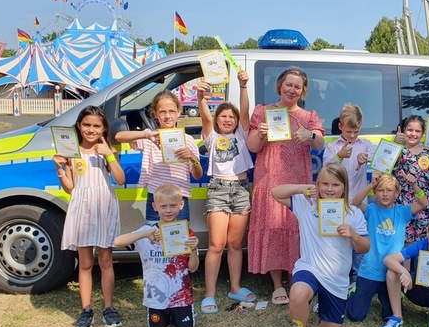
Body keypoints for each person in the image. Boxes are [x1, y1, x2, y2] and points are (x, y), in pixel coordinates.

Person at [271, 163, 369, 327]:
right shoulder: (306, 203)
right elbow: (275, 192)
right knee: (298, 294)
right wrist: (301, 188)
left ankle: (321, 304)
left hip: (336, 278)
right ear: (317, 184)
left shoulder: (353, 213)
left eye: (335, 184)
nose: (330, 189)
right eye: (324, 183)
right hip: (310, 267)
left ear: (344, 187)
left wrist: (354, 235)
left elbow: (365, 247)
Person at [247, 66, 326, 306]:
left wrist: (310, 136)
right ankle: (277, 284)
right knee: (272, 225)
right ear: (280, 85)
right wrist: (260, 134)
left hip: (297, 179)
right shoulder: (263, 112)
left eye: (297, 86)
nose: (292, 90)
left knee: (296, 225)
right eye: (288, 84)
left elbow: (320, 143)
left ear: (303, 91)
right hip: (269, 178)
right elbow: (252, 147)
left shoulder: (309, 116)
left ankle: (296, 278)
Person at [53, 106, 125, 327]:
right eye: (86, 125)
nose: (91, 130)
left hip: (104, 205)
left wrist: (109, 155)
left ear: (103, 128)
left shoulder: (107, 150)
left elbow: (120, 179)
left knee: (105, 261)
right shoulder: (71, 152)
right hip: (82, 208)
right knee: (85, 263)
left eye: (96, 125)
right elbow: (71, 188)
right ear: (78, 126)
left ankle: (109, 307)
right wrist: (61, 169)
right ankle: (86, 309)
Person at [196, 71, 256, 314]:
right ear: (217, 120)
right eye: (223, 116)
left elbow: (244, 112)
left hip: (241, 189)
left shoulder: (242, 134)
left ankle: (235, 286)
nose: (228, 120)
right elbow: (205, 119)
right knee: (216, 244)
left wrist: (243, 87)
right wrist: (201, 98)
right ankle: (209, 294)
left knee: (234, 244)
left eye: (231, 116)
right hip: (219, 189)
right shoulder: (211, 137)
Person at [113, 184, 200, 327]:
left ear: (181, 205)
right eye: (163, 206)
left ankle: (179, 317)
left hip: (181, 297)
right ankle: (167, 320)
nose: (168, 210)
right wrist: (145, 234)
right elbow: (117, 242)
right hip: (156, 299)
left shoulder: (186, 233)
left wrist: (193, 250)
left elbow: (193, 268)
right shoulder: (147, 231)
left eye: (173, 206)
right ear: (155, 207)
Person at [346, 173, 428, 325]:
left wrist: (414, 185)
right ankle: (352, 293)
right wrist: (371, 184)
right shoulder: (371, 210)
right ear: (375, 193)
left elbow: (423, 203)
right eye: (380, 190)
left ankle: (389, 301)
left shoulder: (402, 212)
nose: (385, 194)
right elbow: (355, 202)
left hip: (391, 275)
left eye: (389, 190)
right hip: (369, 271)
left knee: (389, 315)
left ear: (397, 193)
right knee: (355, 316)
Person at [115, 90, 203, 224]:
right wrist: (146, 135)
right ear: (155, 114)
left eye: (172, 111)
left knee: (179, 240)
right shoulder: (150, 137)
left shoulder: (188, 140)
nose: (167, 116)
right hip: (156, 198)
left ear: (179, 112)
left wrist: (192, 158)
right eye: (162, 112)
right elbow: (118, 137)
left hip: (180, 199)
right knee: (153, 238)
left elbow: (197, 175)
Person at [323, 103, 375, 281]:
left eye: (356, 132)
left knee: (358, 240)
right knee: (338, 240)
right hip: (337, 204)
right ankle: (338, 275)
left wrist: (366, 159)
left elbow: (381, 159)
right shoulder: (332, 147)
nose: (352, 136)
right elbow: (326, 169)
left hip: (359, 204)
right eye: (348, 132)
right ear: (340, 127)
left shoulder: (366, 145)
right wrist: (339, 156)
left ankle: (358, 279)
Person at [393, 115, 429, 244]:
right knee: (404, 242)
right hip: (404, 202)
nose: (413, 134)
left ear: (423, 134)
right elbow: (386, 165)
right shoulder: (398, 150)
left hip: (426, 203)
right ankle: (405, 265)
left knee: (425, 241)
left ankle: (420, 265)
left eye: (417, 131)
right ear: (403, 130)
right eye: (409, 130)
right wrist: (395, 144)